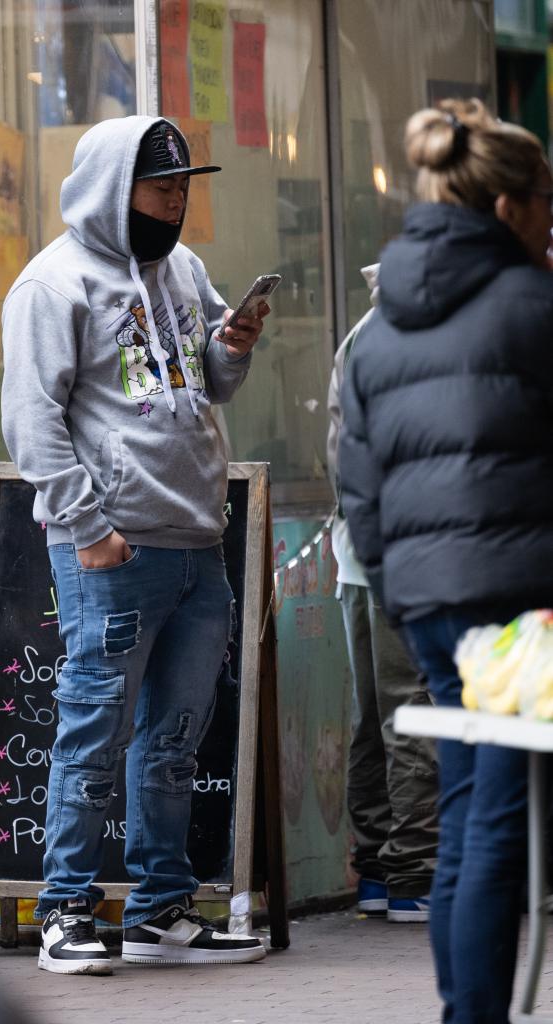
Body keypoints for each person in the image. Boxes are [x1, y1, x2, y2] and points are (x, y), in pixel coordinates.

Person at [1, 116, 269, 974]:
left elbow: (204, 381)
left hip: (197, 541)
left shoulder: (183, 269)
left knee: (174, 742)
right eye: (162, 188)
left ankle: (159, 911)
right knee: (93, 734)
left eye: (184, 187)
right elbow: (31, 421)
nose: (177, 201)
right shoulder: (52, 285)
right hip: (115, 550)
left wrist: (234, 347)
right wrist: (88, 529)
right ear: (116, 190)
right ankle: (64, 913)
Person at [339, 98, 553, 1023]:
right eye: (547, 197)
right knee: (497, 820)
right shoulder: (534, 307)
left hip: (430, 605)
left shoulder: (376, 330)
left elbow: (358, 485)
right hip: (520, 604)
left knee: (473, 813)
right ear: (508, 207)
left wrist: (402, 593)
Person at [326, 264, 438, 923]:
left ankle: (374, 867)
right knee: (412, 711)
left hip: (357, 558)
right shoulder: (411, 343)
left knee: (373, 717)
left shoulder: (362, 337)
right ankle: (413, 873)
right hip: (403, 554)